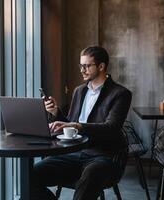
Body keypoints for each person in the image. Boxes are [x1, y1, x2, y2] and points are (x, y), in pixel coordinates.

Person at [31, 46, 132, 200]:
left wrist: (77, 126)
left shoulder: (120, 94)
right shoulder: (79, 91)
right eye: (81, 66)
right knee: (30, 176)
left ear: (101, 66)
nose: (82, 70)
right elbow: (70, 124)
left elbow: (111, 128)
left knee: (91, 175)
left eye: (86, 66)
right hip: (74, 153)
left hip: (103, 155)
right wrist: (56, 113)